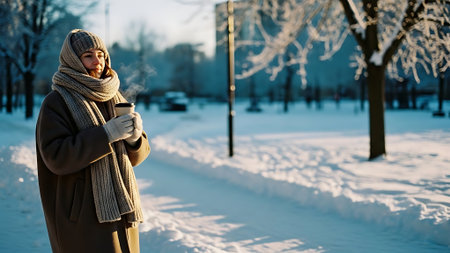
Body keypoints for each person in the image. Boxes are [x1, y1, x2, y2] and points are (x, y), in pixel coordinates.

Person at [35, 29, 151, 253]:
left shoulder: (114, 96)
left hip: (121, 209)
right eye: (88, 55)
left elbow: (134, 158)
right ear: (73, 61)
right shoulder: (56, 101)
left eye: (101, 54)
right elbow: (56, 158)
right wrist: (106, 135)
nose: (97, 61)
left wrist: (135, 138)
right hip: (83, 214)